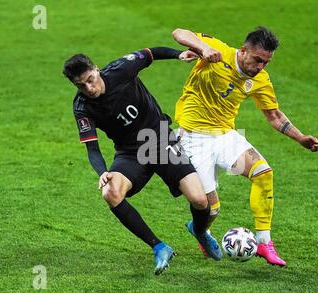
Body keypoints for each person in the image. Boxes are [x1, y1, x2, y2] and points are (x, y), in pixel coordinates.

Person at [62, 47, 223, 275]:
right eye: (81, 85)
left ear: (97, 70)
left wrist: (178, 54)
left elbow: (150, 53)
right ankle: (159, 247)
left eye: (90, 79)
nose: (89, 88)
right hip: (129, 153)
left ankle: (199, 230)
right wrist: (102, 172)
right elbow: (92, 148)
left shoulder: (121, 69)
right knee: (110, 192)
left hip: (159, 139)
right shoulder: (82, 107)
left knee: (199, 200)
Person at [172, 27, 318, 266]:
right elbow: (179, 32)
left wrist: (300, 137)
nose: (261, 67)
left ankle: (264, 243)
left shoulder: (260, 79)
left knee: (264, 173)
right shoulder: (219, 52)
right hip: (193, 138)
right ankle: (199, 230)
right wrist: (204, 48)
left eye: (266, 62)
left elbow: (273, 115)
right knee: (210, 210)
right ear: (243, 51)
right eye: (258, 60)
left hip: (225, 136)